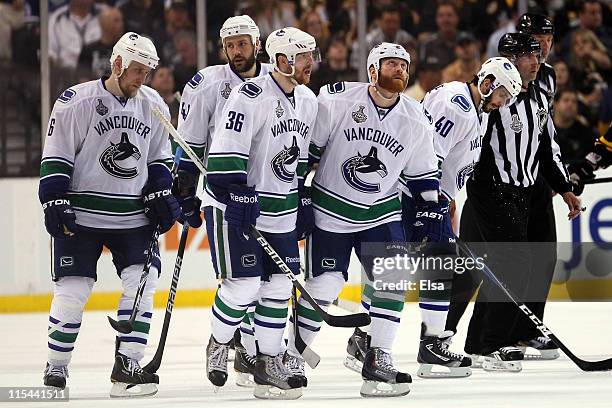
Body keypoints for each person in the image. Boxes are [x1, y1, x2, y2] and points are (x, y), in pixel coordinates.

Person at [288, 42, 438, 398]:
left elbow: (423, 175)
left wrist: (432, 211)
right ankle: (291, 355)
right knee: (324, 286)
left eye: (404, 65)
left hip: (380, 212)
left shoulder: (415, 117)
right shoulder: (337, 99)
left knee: (393, 279)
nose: (400, 70)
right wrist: (300, 196)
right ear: (372, 70)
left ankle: (378, 356)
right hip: (331, 211)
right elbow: (306, 152)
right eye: (391, 64)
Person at [39, 32, 180, 397]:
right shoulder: (76, 101)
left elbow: (159, 158)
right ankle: (56, 366)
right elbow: (56, 155)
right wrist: (53, 198)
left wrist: (160, 190)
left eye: (147, 72)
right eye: (136, 70)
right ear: (116, 63)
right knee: (73, 291)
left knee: (143, 286)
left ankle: (127, 366)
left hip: (133, 218)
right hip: (82, 215)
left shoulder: (153, 105)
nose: (141, 78)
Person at [445, 32, 581, 372]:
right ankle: (469, 341)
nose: (536, 60)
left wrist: (563, 186)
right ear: (508, 58)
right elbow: (470, 147)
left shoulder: (537, 99)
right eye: (527, 55)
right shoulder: (494, 100)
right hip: (490, 194)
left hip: (518, 196)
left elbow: (545, 149)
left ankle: (481, 341)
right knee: (490, 269)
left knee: (494, 269)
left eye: (538, 54)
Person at [199, 26, 319, 400]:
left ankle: (267, 361)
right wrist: (239, 194)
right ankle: (219, 342)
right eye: (303, 56)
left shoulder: (308, 100)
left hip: (280, 208)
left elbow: (297, 159)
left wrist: (300, 196)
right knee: (245, 286)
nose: (310, 63)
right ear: (281, 60)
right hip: (234, 207)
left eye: (311, 55)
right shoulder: (249, 95)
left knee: (280, 287)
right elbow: (226, 151)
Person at [173, 15, 273, 387]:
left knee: (266, 283)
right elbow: (191, 142)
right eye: (230, 45)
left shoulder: (273, 81)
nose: (236, 51)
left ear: (257, 44)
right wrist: (184, 189)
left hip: (270, 197)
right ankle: (223, 342)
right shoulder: (207, 84)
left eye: (243, 44)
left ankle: (248, 348)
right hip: (225, 197)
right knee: (241, 280)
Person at [407, 57, 522, 378]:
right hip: (416, 196)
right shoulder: (456, 105)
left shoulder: (477, 111)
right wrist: (431, 202)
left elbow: (458, 161)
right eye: (501, 96)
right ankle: (425, 347)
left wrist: (447, 199)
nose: (502, 104)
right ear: (486, 84)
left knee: (438, 270)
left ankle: (427, 343)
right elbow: (429, 154)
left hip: (435, 198)